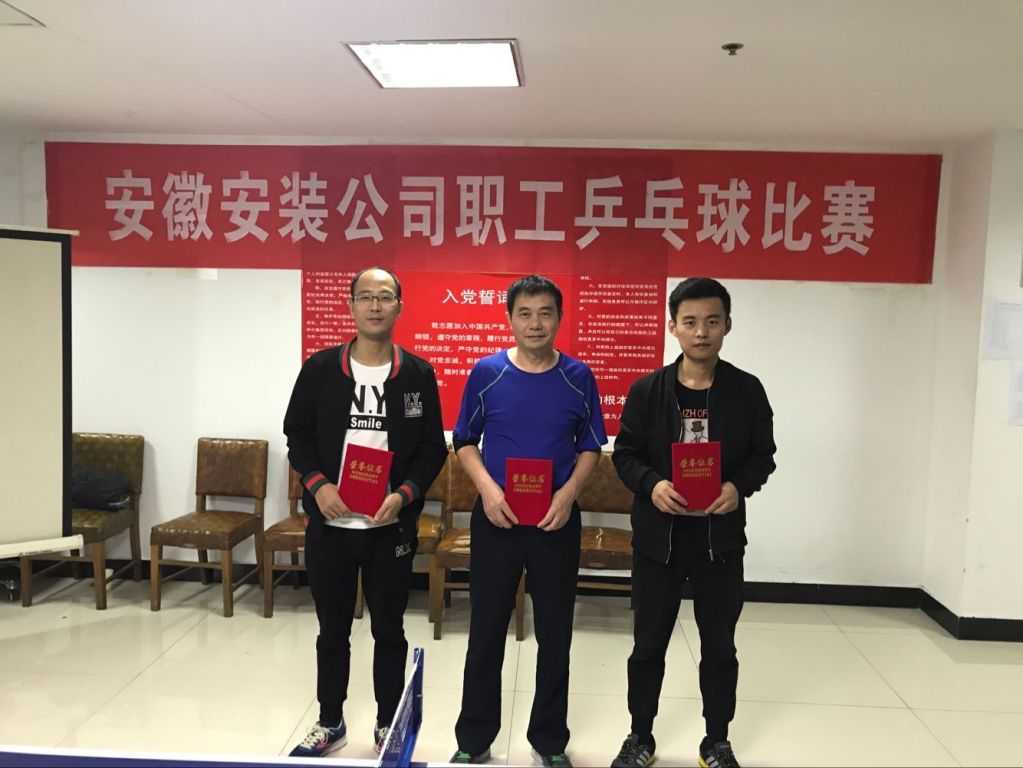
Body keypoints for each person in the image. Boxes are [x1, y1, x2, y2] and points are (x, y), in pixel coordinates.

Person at [610, 277, 776, 768]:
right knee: (647, 646)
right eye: (690, 322)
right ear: (673, 327)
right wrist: (652, 484)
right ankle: (640, 735)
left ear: (727, 325)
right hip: (658, 541)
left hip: (717, 541)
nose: (701, 332)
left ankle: (716, 740)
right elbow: (626, 454)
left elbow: (763, 456)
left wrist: (737, 487)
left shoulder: (747, 391)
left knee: (720, 646)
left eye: (711, 321)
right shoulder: (647, 391)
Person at [283, 266, 447, 758]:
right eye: (366, 297)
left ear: (400, 306)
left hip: (388, 527)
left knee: (389, 630)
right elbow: (298, 436)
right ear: (351, 305)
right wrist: (318, 486)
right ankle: (330, 721)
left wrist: (404, 494)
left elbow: (432, 449)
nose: (375, 306)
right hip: (330, 525)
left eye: (385, 297)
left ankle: (386, 724)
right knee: (331, 630)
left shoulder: (417, 374)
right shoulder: (319, 369)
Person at [449, 274, 607, 767]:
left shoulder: (578, 376)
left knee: (555, 634)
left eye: (545, 313)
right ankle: (474, 738)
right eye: (525, 313)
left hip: (555, 521)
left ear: (559, 318)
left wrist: (569, 493)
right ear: (509, 319)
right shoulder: (487, 372)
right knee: (486, 630)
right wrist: (488, 489)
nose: (535, 323)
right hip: (496, 518)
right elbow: (464, 440)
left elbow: (590, 445)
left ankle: (550, 740)